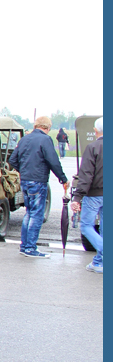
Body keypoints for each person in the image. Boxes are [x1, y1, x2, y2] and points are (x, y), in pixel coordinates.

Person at [9, 115, 69, 257]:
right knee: (36, 214)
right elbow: (53, 161)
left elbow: (13, 159)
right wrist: (63, 179)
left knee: (29, 213)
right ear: (47, 128)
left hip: (25, 181)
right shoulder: (45, 139)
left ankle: (24, 246)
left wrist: (22, 171)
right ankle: (30, 248)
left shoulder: (24, 139)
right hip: (38, 181)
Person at [70, 117, 103, 274]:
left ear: (95, 131)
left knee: (86, 226)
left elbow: (86, 175)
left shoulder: (93, 147)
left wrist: (77, 197)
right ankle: (99, 262)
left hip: (94, 193)